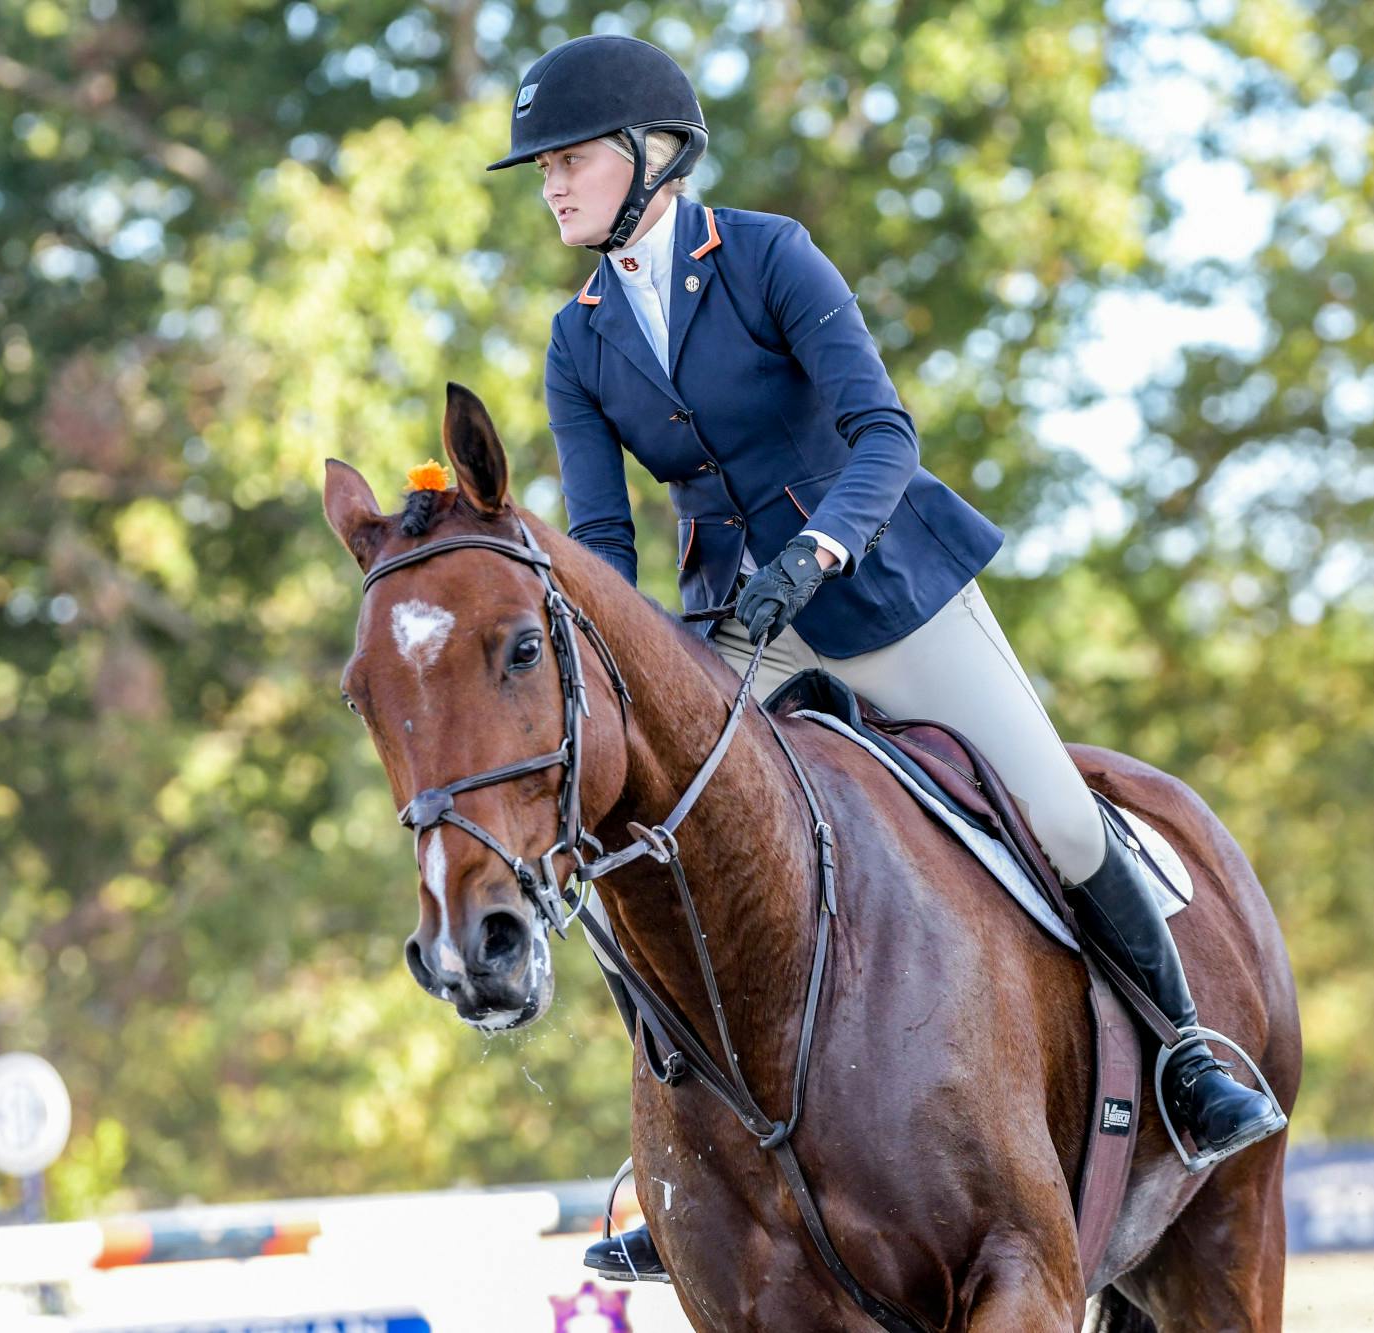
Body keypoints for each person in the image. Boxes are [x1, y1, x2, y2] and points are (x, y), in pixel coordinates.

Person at [487, 34, 1288, 1282]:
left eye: (570, 158)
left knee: (1058, 813)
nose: (550, 184)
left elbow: (884, 433)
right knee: (641, 846)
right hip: (728, 627)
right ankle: (688, 1163)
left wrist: (814, 556)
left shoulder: (763, 255)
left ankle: (1186, 1053)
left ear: (652, 157)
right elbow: (597, 543)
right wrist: (632, 661)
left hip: (879, 582)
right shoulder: (577, 336)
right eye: (541, 167)